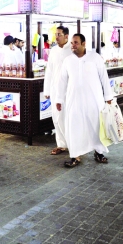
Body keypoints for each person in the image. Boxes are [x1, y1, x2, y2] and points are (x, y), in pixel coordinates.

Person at [55, 34, 114, 168]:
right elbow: (62, 81)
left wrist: (108, 97)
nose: (73, 45)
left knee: (96, 126)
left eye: (76, 43)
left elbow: (104, 77)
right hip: (74, 101)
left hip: (94, 100)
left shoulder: (95, 58)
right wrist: (59, 99)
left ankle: (99, 152)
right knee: (74, 127)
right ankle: (75, 156)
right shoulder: (68, 60)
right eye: (72, 43)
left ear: (84, 43)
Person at [44, 26, 72, 156]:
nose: (57, 37)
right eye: (56, 34)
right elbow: (49, 71)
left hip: (69, 90)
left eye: (59, 34)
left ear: (66, 36)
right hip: (55, 89)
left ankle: (73, 144)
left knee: (69, 117)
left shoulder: (72, 50)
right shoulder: (53, 51)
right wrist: (47, 90)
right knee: (56, 117)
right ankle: (61, 144)